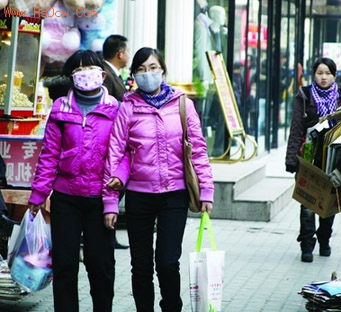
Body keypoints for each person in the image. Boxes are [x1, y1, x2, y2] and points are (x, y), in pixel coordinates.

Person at [102, 47, 214, 312]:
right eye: (141, 69)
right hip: (139, 196)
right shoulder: (127, 107)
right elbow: (115, 153)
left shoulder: (182, 103)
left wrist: (206, 190)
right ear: (134, 74)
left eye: (153, 68)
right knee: (140, 265)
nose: (148, 74)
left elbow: (197, 149)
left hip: (174, 195)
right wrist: (109, 202)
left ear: (162, 70)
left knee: (167, 262)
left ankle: (172, 307)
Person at [28, 50, 120, 312]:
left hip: (100, 199)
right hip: (66, 198)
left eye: (89, 68)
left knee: (100, 265)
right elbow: (49, 155)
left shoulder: (115, 109)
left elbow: (121, 154)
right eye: (78, 70)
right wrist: (38, 195)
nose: (85, 74)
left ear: (102, 74)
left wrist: (114, 193)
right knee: (65, 265)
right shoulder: (60, 108)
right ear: (71, 77)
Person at [285, 57, 341, 263]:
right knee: (307, 200)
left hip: (333, 156)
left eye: (328, 73)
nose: (324, 77)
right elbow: (296, 128)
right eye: (320, 73)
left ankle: (324, 238)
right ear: (314, 75)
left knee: (329, 200)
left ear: (334, 75)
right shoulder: (304, 95)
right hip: (309, 155)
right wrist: (291, 159)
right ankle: (307, 243)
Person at [102, 34, 130, 250]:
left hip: (118, 143)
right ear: (120, 53)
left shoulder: (117, 75)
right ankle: (107, 236)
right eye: (127, 51)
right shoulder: (106, 76)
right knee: (112, 187)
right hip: (111, 142)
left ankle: (111, 237)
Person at [102, 34, 129, 102]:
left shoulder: (112, 72)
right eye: (127, 51)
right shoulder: (105, 74)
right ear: (120, 54)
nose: (129, 56)